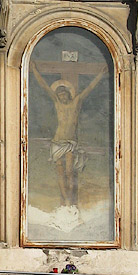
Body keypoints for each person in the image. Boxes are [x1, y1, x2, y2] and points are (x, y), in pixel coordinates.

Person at [31, 61, 107, 207]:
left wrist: (100, 75)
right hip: (57, 141)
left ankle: (71, 200)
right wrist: (34, 70)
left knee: (70, 172)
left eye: (63, 93)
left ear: (68, 94)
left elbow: (89, 89)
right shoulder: (57, 104)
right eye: (59, 94)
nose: (61, 96)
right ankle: (65, 200)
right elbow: (45, 87)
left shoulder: (76, 103)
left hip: (70, 142)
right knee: (60, 172)